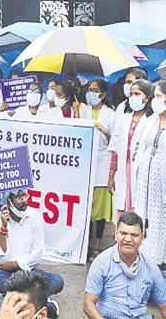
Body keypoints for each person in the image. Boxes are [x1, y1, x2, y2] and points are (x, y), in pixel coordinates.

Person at [0, 190, 63, 316]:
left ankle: (12, 300)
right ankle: (41, 302)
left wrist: (12, 264)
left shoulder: (35, 218)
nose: (24, 200)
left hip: (29, 273)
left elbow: (36, 257)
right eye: (18, 197)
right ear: (9, 201)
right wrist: (4, 228)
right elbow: (0, 259)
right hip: (7, 274)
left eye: (25, 195)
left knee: (57, 280)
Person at [84, 212, 166, 319]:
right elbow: (88, 304)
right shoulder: (101, 263)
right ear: (116, 235)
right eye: (123, 233)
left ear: (142, 238)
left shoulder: (151, 268)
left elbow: (164, 306)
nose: (128, 239)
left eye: (134, 235)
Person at [108, 79, 153, 221]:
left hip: (141, 172)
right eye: (131, 94)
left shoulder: (151, 121)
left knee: (137, 207)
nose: (133, 97)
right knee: (122, 205)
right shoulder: (124, 119)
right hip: (122, 170)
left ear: (146, 97)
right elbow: (115, 148)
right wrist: (111, 175)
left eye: (137, 94)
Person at [83, 79, 116, 262]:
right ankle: (86, 245)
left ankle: (97, 245)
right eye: (89, 89)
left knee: (100, 211)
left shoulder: (110, 114)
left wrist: (105, 131)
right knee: (86, 209)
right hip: (86, 164)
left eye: (94, 90)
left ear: (103, 94)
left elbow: (116, 141)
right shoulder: (84, 111)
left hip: (102, 164)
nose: (91, 92)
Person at [134, 81, 166, 267]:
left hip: (161, 184)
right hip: (145, 181)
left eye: (159, 97)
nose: (155, 101)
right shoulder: (151, 120)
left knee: (159, 221)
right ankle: (141, 258)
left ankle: (158, 262)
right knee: (142, 218)